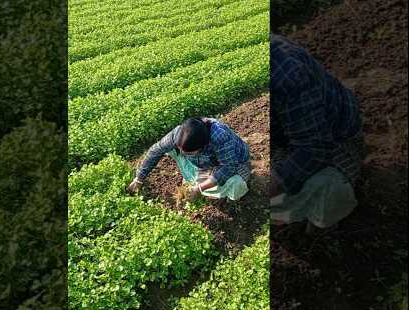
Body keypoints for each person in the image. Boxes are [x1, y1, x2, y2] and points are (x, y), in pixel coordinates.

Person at [270, 34, 365, 230]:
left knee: (326, 187)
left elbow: (315, 149)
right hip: (287, 134)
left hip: (334, 137)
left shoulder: (286, 73)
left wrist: (272, 185)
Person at [127, 117, 251, 201]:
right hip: (205, 163)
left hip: (235, 162)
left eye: (190, 152)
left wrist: (199, 189)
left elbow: (228, 167)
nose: (183, 154)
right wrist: (139, 179)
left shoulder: (220, 137)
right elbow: (155, 150)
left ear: (203, 146)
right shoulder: (178, 134)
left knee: (235, 184)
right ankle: (200, 180)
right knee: (167, 148)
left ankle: (203, 184)